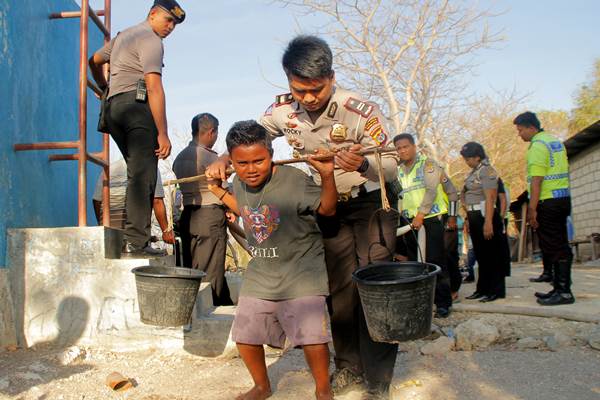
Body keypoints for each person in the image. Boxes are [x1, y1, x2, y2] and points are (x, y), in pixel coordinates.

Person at [207, 36, 399, 399]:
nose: (309, 98)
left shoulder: (359, 111)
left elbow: (390, 166)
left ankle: (379, 378)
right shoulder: (282, 111)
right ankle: (348, 369)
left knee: (377, 290)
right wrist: (221, 159)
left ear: (331, 77)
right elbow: (251, 138)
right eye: (300, 90)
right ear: (289, 82)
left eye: (316, 89)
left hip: (368, 203)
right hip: (326, 206)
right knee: (340, 292)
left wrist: (360, 163)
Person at [208, 120, 336, 400]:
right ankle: (262, 386)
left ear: (271, 153)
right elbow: (244, 210)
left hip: (302, 270)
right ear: (232, 160)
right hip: (262, 271)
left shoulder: (294, 180)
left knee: (312, 336)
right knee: (245, 335)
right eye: (242, 163)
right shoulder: (238, 183)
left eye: (259, 161)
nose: (251, 169)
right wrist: (218, 190)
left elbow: (327, 208)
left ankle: (323, 389)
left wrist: (327, 176)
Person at [88, 0, 185, 257]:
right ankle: (138, 242)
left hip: (113, 110)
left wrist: (103, 88)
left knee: (136, 172)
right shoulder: (151, 39)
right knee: (144, 175)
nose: (170, 27)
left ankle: (135, 238)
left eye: (174, 24)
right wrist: (162, 133)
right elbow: (154, 87)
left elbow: (94, 60)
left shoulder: (124, 36)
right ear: (153, 14)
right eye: (168, 21)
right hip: (136, 109)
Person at [393, 133, 457, 318]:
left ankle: (443, 302)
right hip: (410, 222)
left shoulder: (428, 165)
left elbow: (431, 191)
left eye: (405, 146)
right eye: (398, 148)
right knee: (415, 263)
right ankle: (422, 303)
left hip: (430, 218)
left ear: (414, 146)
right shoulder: (398, 170)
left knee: (435, 261)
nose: (402, 151)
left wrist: (421, 214)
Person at [173, 113, 233, 306]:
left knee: (192, 266)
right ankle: (212, 307)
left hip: (188, 215)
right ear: (211, 132)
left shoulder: (180, 157)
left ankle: (203, 305)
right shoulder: (211, 158)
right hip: (210, 214)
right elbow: (223, 187)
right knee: (212, 268)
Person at [514, 111, 574, 305]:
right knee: (559, 243)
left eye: (521, 130)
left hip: (547, 201)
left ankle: (564, 292)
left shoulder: (537, 147)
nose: (519, 134)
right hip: (561, 199)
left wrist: (532, 209)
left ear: (532, 127)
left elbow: (537, 180)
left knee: (555, 246)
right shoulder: (554, 141)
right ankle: (558, 287)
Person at [460, 142, 509, 303]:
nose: (467, 161)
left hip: (485, 215)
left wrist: (488, 223)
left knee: (492, 254)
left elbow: (491, 198)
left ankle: (495, 290)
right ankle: (482, 288)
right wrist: (468, 218)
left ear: (477, 157)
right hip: (474, 216)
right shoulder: (474, 172)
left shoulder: (487, 171)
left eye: (469, 158)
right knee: (481, 255)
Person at [92, 159, 174, 246]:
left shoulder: (109, 169)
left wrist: (103, 225)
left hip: (110, 232)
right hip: (135, 232)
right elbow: (157, 201)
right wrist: (166, 231)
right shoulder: (150, 168)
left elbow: (97, 201)